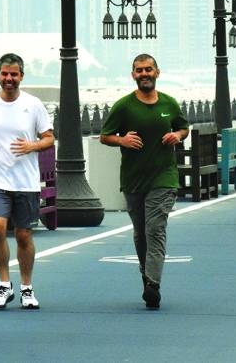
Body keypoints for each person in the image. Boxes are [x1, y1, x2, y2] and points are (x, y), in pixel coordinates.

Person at [99, 54, 189, 310]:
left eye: (148, 69)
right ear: (133, 75)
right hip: (134, 179)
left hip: (164, 177)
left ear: (157, 72)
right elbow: (105, 136)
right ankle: (146, 274)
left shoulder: (169, 103)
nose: (144, 74)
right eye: (139, 70)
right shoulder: (124, 106)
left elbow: (184, 127)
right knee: (140, 233)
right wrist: (122, 140)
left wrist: (177, 135)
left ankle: (153, 285)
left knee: (155, 229)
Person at [0, 53, 53, 310]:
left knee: (23, 235)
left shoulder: (33, 104)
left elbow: (49, 138)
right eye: (4, 74)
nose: (9, 79)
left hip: (25, 181)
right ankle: (4, 284)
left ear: (21, 76)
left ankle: (27, 287)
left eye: (14, 75)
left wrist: (32, 145)